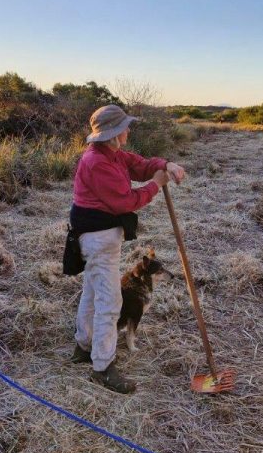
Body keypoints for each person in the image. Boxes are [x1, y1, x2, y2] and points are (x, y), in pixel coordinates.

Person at [69, 104, 186, 394]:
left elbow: (140, 165)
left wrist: (165, 164)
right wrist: (156, 185)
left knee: (93, 293)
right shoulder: (96, 162)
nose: (128, 131)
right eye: (124, 127)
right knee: (110, 303)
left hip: (103, 237)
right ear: (112, 134)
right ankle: (102, 367)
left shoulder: (114, 155)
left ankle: (84, 347)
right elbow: (125, 201)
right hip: (97, 239)